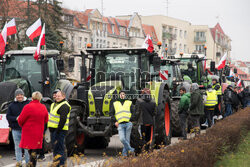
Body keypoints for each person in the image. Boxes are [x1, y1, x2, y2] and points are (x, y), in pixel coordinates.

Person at [18, 91, 48, 167]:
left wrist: (23, 126)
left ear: (32, 98)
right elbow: (46, 120)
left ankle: (32, 165)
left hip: (28, 132)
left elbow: (20, 120)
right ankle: (33, 164)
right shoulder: (43, 107)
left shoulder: (27, 107)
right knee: (34, 151)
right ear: (40, 98)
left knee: (30, 150)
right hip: (38, 132)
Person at [6, 88, 30, 167]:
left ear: (23, 95)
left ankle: (28, 163)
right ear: (15, 96)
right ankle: (19, 163)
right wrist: (16, 118)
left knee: (27, 148)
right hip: (16, 130)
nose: (20, 96)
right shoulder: (11, 105)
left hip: (26, 130)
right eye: (18, 95)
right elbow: (8, 116)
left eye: (21, 95)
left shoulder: (28, 103)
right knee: (17, 147)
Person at [48, 91, 71, 166]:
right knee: (55, 148)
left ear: (63, 97)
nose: (57, 97)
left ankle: (61, 164)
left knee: (59, 149)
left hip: (59, 130)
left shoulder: (64, 105)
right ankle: (56, 163)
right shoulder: (53, 104)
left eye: (59, 96)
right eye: (56, 96)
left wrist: (58, 130)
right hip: (53, 130)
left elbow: (63, 119)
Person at [111, 90, 134, 156]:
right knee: (122, 139)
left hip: (128, 124)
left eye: (123, 94)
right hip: (120, 124)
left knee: (127, 140)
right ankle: (131, 150)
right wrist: (115, 121)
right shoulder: (115, 103)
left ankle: (124, 155)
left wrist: (131, 120)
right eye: (121, 94)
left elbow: (134, 112)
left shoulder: (129, 102)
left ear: (125, 95)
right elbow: (111, 113)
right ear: (119, 95)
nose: (122, 95)